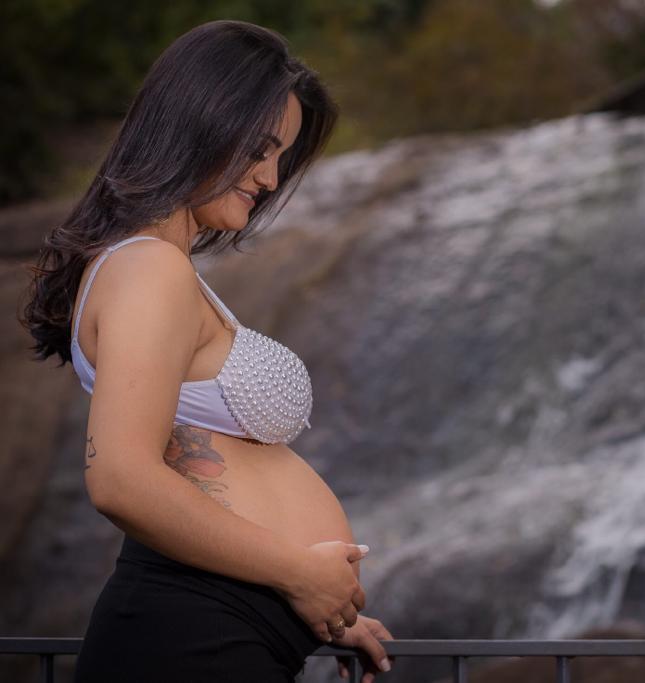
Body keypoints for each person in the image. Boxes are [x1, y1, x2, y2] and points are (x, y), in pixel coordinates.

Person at [19, 19, 394, 683]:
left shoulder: (158, 267)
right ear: (201, 119)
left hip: (213, 630)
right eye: (262, 148)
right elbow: (122, 479)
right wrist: (301, 574)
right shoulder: (149, 270)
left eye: (283, 156)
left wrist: (328, 611)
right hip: (189, 635)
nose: (272, 176)